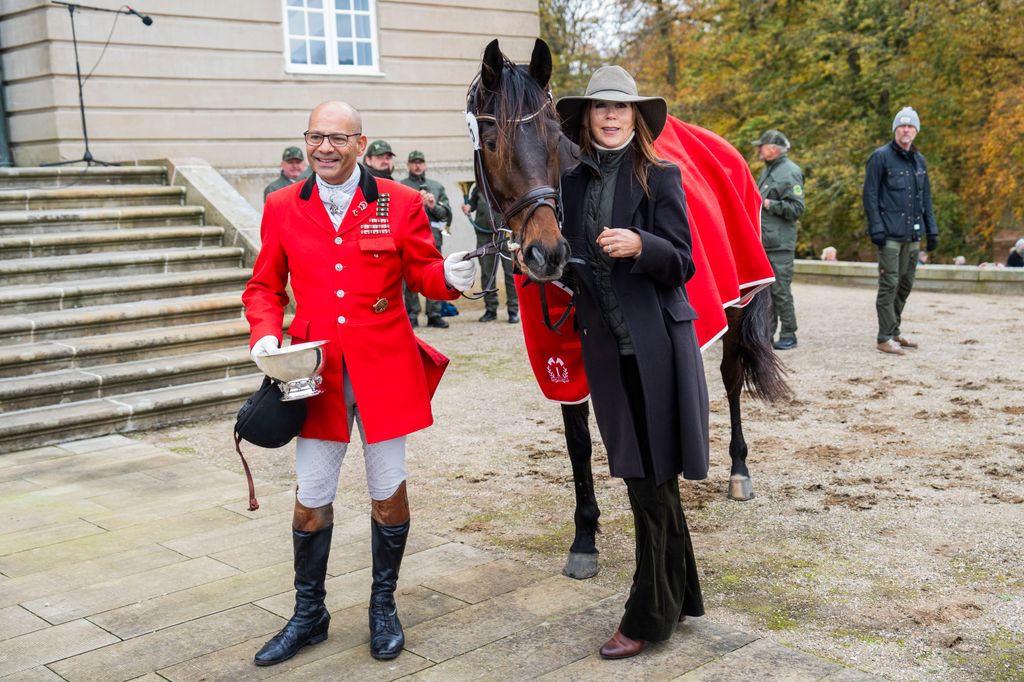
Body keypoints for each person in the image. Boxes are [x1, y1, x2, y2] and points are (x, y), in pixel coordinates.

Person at [242, 101, 476, 667]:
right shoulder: (281, 205)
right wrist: (266, 336)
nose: (325, 148)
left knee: (388, 490)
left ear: (360, 142)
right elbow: (264, 287)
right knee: (310, 497)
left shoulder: (400, 202)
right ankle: (309, 614)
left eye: (337, 138)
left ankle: (382, 607)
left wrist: (447, 276)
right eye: (315, 137)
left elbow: (421, 271)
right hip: (315, 372)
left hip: (384, 365)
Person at [555, 65, 708, 659]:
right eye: (601, 109)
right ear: (588, 119)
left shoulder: (661, 176)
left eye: (621, 109)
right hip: (607, 349)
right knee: (646, 477)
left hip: (659, 349)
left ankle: (648, 615)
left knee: (652, 479)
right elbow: (572, 264)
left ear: (637, 118)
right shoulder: (570, 183)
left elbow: (683, 262)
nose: (612, 117)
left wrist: (644, 246)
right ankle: (682, 595)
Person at [863, 106, 938, 356]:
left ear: (916, 130)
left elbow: (925, 197)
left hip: (913, 235)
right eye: (902, 126)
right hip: (889, 234)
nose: (906, 130)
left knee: (905, 283)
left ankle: (895, 330)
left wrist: (932, 230)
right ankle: (884, 337)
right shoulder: (880, 157)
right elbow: (870, 194)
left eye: (910, 126)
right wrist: (876, 228)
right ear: (895, 129)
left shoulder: (919, 160)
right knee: (889, 283)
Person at [752, 130, 804, 351]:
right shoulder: (768, 170)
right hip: (766, 241)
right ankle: (767, 335)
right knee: (767, 292)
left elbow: (797, 208)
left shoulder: (790, 172)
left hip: (780, 244)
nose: (759, 150)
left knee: (781, 291)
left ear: (773, 148)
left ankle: (789, 334)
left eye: (762, 146)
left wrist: (770, 205)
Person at [400, 151, 453, 328]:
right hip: (408, 238)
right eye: (413, 162)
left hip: (433, 238)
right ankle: (412, 314)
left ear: (425, 164)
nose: (417, 166)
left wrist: (433, 206)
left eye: (420, 162)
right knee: (409, 278)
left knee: (435, 274)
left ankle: (434, 314)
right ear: (407, 165)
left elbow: (446, 214)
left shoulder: (436, 186)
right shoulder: (402, 186)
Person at [463, 183, 519, 323]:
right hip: (484, 234)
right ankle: (491, 309)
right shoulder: (479, 187)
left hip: (505, 233)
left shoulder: (507, 183)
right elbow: (473, 204)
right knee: (487, 273)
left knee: (510, 272)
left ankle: (513, 309)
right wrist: (468, 207)